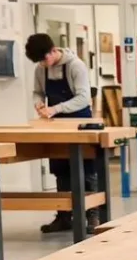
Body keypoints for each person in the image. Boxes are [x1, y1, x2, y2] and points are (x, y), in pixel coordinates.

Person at [25, 33, 99, 235]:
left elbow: (83, 98)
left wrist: (55, 109)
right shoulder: (41, 69)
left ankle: (93, 214)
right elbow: (37, 92)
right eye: (39, 62)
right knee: (60, 168)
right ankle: (64, 215)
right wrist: (39, 103)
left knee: (86, 168)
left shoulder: (76, 66)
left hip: (80, 122)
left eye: (44, 59)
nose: (43, 64)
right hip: (57, 125)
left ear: (53, 51)